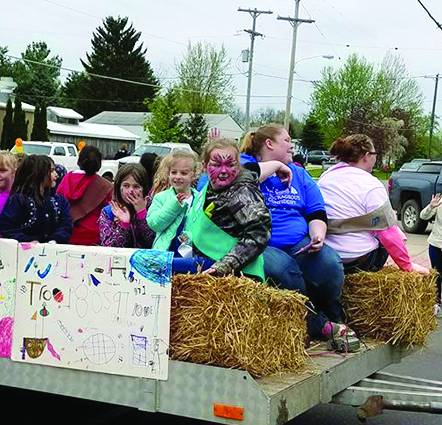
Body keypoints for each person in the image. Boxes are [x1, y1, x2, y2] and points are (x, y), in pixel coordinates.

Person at [241, 124, 350, 341]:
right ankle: (316, 325)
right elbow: (244, 180)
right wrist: (275, 166)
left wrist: (317, 235)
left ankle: (333, 317)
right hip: (260, 244)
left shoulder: (300, 173)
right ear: (270, 144)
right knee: (285, 271)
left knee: (329, 264)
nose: (292, 145)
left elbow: (316, 211)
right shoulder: (245, 164)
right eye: (287, 140)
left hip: (298, 241)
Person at [320, 133, 428, 275]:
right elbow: (388, 235)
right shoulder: (371, 184)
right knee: (387, 229)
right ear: (366, 155)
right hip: (355, 261)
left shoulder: (325, 177)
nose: (376, 158)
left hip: (325, 256)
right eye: (375, 154)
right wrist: (408, 267)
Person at [168, 138, 271, 278]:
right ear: (204, 166)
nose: (223, 171)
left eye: (230, 165)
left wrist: (226, 265)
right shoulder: (210, 187)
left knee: (156, 265)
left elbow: (260, 231)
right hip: (204, 262)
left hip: (231, 271)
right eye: (216, 165)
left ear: (239, 166)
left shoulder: (242, 193)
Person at [0, 154, 72, 243]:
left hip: (54, 252)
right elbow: (8, 227)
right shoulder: (18, 200)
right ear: (39, 173)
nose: (56, 174)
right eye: (52, 171)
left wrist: (55, 240)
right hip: (23, 252)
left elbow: (65, 224)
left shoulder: (60, 201)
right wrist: (28, 241)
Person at [56, 145, 113, 245]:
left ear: (79, 160)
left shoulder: (66, 179)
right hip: (93, 237)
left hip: (67, 234)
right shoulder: (105, 187)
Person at [147, 151, 198, 254]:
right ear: (168, 174)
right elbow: (154, 224)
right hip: (164, 253)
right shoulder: (160, 198)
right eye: (174, 172)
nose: (178, 177)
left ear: (194, 175)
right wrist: (174, 205)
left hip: (190, 255)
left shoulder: (199, 199)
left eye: (184, 173)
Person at [98, 163, 155, 249]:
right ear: (118, 187)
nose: (130, 191)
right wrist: (124, 225)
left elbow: (153, 241)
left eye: (136, 186)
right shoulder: (109, 211)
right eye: (126, 186)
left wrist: (142, 213)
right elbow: (108, 247)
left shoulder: (153, 207)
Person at [421, 194, 442, 313]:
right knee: (436, 274)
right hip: (436, 244)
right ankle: (436, 302)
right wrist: (431, 206)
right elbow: (423, 216)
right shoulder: (439, 201)